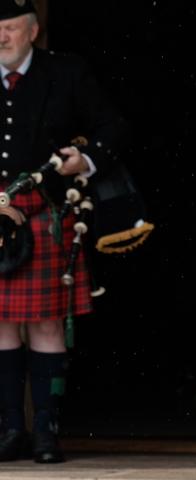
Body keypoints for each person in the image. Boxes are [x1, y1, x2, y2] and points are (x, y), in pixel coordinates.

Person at [0, 0, 129, 464]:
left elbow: (111, 126)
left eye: (10, 28)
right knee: (0, 325)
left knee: (46, 324)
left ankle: (46, 434)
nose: (2, 38)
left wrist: (87, 159)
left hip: (46, 210)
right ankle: (11, 430)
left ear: (31, 31)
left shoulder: (66, 72)